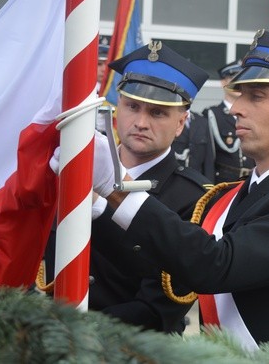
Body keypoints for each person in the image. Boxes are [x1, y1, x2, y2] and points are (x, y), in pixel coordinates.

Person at [89, 30, 269, 361]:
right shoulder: (232, 195)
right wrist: (94, 206)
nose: (235, 109)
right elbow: (164, 258)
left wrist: (116, 188)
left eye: (256, 96)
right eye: (239, 95)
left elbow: (216, 264)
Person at [48, 41, 213, 334]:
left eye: (158, 113)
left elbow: (157, 308)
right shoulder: (74, 171)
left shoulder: (196, 197)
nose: (140, 122)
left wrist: (76, 329)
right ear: (115, 111)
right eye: (132, 106)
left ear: (181, 123)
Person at [203, 60, 255, 183]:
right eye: (233, 77)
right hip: (223, 182)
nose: (238, 82)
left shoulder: (254, 114)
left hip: (250, 181)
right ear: (223, 82)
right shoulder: (212, 114)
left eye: (242, 77)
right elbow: (208, 158)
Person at [172, 110, 215, 181]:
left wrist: (209, 184)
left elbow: (208, 158)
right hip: (173, 180)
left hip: (197, 181)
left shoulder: (202, 121)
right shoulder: (168, 119)